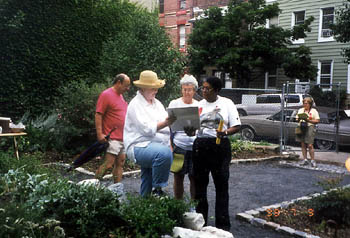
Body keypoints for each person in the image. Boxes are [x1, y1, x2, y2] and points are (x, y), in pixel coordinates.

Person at [188, 76, 241, 231]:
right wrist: (189, 130)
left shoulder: (227, 103)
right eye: (202, 88)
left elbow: (236, 126)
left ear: (216, 90)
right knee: (200, 187)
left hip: (219, 147)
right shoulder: (199, 105)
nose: (204, 91)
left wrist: (225, 132)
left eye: (207, 88)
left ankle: (223, 225)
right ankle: (201, 222)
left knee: (221, 185)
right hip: (200, 147)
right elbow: (193, 129)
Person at [123, 70, 176, 197]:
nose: (156, 91)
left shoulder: (157, 104)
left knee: (147, 178)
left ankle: (145, 208)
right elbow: (146, 129)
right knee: (163, 154)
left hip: (155, 145)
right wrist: (167, 122)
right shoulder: (135, 105)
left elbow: (167, 128)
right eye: (153, 88)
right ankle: (157, 189)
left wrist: (169, 142)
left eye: (157, 88)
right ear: (143, 88)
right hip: (138, 146)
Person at [94, 74, 130, 183]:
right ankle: (91, 188)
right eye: (126, 86)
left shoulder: (120, 96)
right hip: (113, 138)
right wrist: (100, 134)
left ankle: (117, 189)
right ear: (118, 82)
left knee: (120, 163)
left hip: (122, 137)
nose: (128, 89)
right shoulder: (106, 94)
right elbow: (98, 114)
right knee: (108, 164)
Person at [168, 74, 198, 200]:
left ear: (194, 90)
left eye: (189, 89)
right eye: (184, 89)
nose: (186, 92)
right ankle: (178, 204)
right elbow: (168, 126)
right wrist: (170, 145)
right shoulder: (174, 103)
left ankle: (193, 206)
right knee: (178, 176)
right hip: (179, 146)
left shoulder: (199, 104)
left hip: (195, 147)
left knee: (194, 177)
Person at [296, 97, 320, 167]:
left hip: (310, 127)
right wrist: (299, 118)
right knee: (303, 144)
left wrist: (308, 120)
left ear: (310, 104)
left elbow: (317, 121)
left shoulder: (314, 111)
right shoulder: (300, 110)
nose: (305, 105)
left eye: (306, 103)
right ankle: (305, 159)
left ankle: (312, 160)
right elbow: (297, 119)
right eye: (304, 103)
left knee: (310, 145)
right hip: (300, 126)